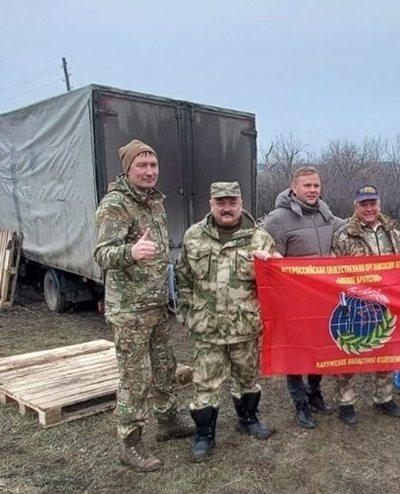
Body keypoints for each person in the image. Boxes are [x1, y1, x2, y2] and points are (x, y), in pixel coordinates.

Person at [94, 139, 193, 473]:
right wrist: (130, 253)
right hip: (130, 309)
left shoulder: (154, 202)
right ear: (128, 169)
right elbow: (101, 254)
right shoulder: (116, 205)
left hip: (156, 305)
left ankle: (167, 422)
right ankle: (130, 443)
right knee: (135, 377)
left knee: (165, 366)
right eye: (142, 165)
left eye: (153, 165)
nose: (150, 171)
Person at [176, 181, 277, 461]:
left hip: (244, 327)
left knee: (247, 379)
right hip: (207, 328)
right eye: (220, 202)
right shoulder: (194, 236)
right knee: (205, 384)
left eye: (232, 202)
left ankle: (248, 419)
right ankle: (204, 434)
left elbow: (279, 279)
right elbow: (183, 277)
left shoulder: (259, 239)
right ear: (211, 204)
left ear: (241, 203)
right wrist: (186, 312)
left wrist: (270, 263)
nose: (227, 208)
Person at [263, 166, 346, 429]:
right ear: (293, 187)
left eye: (316, 186)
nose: (312, 190)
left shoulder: (326, 214)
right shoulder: (277, 220)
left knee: (319, 348)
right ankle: (299, 402)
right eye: (307, 186)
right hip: (293, 302)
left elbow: (352, 228)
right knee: (296, 352)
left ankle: (315, 392)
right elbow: (268, 261)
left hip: (322, 299)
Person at [331, 184, 400, 425]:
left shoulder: (393, 231)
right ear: (355, 206)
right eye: (364, 204)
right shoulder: (343, 236)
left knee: (387, 349)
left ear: (379, 204)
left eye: (373, 203)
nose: (369, 209)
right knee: (349, 351)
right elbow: (332, 271)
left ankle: (383, 397)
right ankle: (346, 401)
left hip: (388, 302)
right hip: (356, 301)